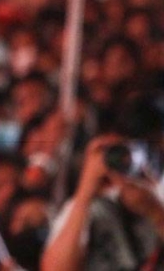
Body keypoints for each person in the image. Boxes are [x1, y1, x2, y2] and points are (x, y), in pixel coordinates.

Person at [40, 92, 164, 271]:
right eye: (111, 152)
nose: (119, 160)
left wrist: (155, 213)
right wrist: (85, 190)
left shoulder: (158, 191)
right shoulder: (81, 207)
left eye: (125, 151)